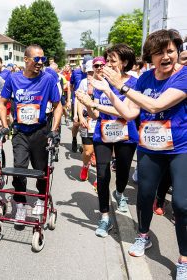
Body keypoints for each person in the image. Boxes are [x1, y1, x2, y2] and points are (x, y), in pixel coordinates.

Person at [89, 29, 187, 278]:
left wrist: (120, 85)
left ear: (177, 52)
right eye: (159, 53)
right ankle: (143, 236)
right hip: (150, 147)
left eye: (170, 51)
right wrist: (110, 91)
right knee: (144, 196)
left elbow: (156, 105)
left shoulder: (184, 76)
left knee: (181, 203)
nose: (165, 56)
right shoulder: (144, 80)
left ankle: (183, 258)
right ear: (150, 57)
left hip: (180, 148)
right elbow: (130, 112)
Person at [77, 45, 139, 238]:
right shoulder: (99, 81)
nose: (108, 64)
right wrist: (88, 104)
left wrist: (94, 104)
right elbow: (97, 113)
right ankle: (105, 217)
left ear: (125, 62)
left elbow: (127, 113)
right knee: (102, 175)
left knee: (122, 174)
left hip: (126, 135)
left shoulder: (135, 83)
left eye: (112, 60)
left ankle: (120, 193)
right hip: (102, 134)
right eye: (107, 60)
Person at [0, 44, 62, 222]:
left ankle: (41, 199)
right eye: (37, 59)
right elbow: (2, 102)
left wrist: (54, 130)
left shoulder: (48, 79)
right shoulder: (13, 78)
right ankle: (20, 203)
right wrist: (5, 125)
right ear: (26, 60)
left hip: (40, 131)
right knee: (19, 168)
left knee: (41, 169)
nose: (40, 62)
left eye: (43, 59)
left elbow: (58, 107)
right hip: (20, 132)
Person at [75, 60, 96, 184]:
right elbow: (78, 100)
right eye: (88, 72)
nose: (90, 75)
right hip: (87, 120)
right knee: (88, 151)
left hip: (101, 121)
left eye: (92, 72)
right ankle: (85, 166)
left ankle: (100, 178)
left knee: (100, 152)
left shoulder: (105, 83)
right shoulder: (83, 82)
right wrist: (80, 117)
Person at [70, 55, 92, 152]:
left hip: (89, 105)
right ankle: (74, 139)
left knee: (88, 125)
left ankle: (85, 145)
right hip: (77, 101)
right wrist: (70, 99)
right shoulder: (76, 72)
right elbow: (71, 86)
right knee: (76, 124)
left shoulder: (94, 74)